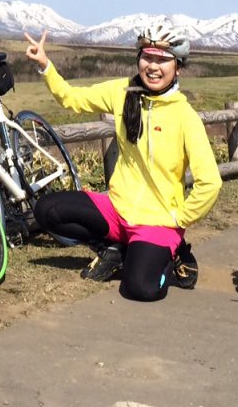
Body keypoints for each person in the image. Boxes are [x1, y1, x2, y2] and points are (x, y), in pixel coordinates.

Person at [24, 24, 222, 302]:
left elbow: (210, 182)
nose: (153, 67)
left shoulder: (185, 116)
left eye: (163, 60)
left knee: (141, 288)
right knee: (47, 210)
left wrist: (180, 219)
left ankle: (174, 252)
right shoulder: (123, 92)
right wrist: (46, 66)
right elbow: (73, 99)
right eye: (147, 57)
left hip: (158, 224)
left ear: (177, 67)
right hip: (117, 210)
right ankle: (113, 250)